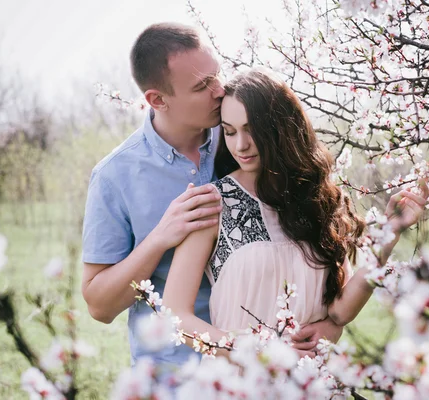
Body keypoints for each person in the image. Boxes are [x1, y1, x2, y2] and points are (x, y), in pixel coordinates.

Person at [81, 23, 342, 365]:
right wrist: (161, 237)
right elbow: (99, 306)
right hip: (171, 372)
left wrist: (328, 325)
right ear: (158, 100)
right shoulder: (115, 175)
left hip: (271, 367)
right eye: (203, 86)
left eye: (217, 75)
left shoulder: (244, 142)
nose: (219, 91)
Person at [163, 69, 429, 351]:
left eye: (253, 130)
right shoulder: (212, 204)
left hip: (314, 383)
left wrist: (390, 232)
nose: (240, 145)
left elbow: (339, 312)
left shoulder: (318, 199)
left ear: (282, 128)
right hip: (241, 384)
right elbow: (175, 315)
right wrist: (259, 351)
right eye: (230, 132)